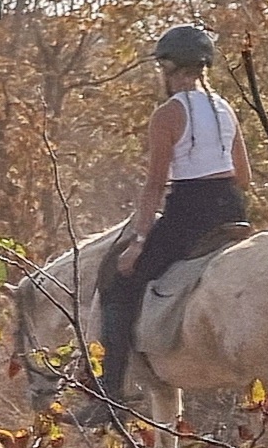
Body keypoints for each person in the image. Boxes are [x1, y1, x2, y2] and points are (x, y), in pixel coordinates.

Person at [86, 24, 252, 407]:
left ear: (170, 67)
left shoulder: (167, 114)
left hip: (189, 213)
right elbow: (243, 176)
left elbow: (155, 185)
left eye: (162, 66)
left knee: (120, 280)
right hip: (231, 209)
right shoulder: (226, 109)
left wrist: (139, 242)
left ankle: (109, 394)